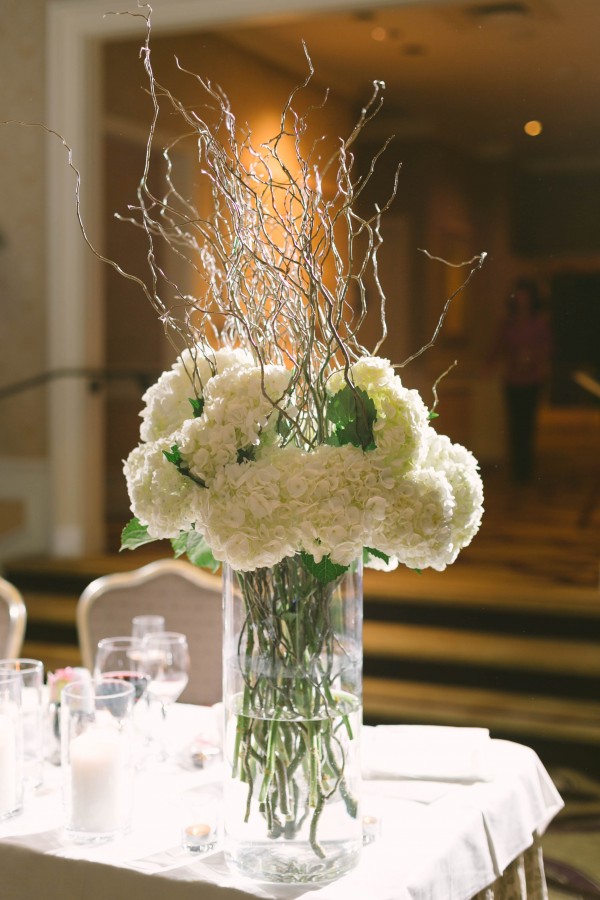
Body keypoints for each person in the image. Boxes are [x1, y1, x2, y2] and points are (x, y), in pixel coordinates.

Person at [490, 279, 552, 483]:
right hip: (512, 379)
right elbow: (497, 347)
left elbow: (546, 348)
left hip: (532, 379)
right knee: (514, 424)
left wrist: (534, 360)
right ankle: (517, 469)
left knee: (527, 424)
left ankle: (526, 468)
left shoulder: (539, 323)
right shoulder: (508, 322)